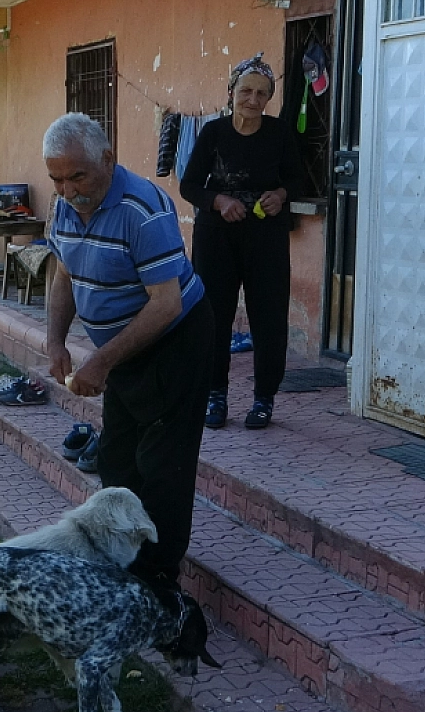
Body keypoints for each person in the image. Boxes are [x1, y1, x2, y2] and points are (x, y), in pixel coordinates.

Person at [42, 113, 213, 586]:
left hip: (174, 340)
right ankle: (124, 558)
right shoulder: (62, 207)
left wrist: (100, 360)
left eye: (78, 175)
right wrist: (56, 342)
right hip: (123, 351)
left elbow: (165, 306)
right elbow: (64, 276)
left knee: (162, 466)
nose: (67, 189)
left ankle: (158, 580)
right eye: (56, 178)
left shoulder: (143, 208)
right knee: (117, 458)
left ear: (108, 160)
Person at [180, 53, 307, 430]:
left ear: (269, 99)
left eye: (262, 93)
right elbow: (189, 186)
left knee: (268, 316)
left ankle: (264, 398)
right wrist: (219, 201)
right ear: (232, 91)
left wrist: (280, 195)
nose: (253, 100)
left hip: (265, 236)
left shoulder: (279, 133)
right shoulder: (213, 134)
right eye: (246, 91)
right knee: (212, 316)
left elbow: (299, 180)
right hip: (216, 236)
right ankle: (215, 395)